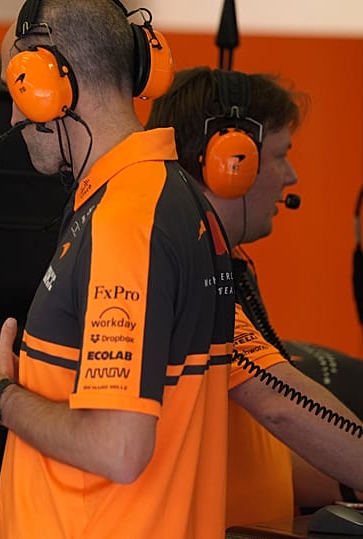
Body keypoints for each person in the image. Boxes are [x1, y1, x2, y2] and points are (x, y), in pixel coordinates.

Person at [0, 1, 363, 538]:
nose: (12, 116)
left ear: (45, 80)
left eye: (15, 87)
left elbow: (118, 448)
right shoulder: (147, 205)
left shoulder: (129, 220)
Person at [146, 66, 363, 527]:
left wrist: (349, 481)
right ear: (230, 160)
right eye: (281, 155)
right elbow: (281, 405)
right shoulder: (185, 267)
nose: (290, 176)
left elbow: (267, 449)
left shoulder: (213, 259)